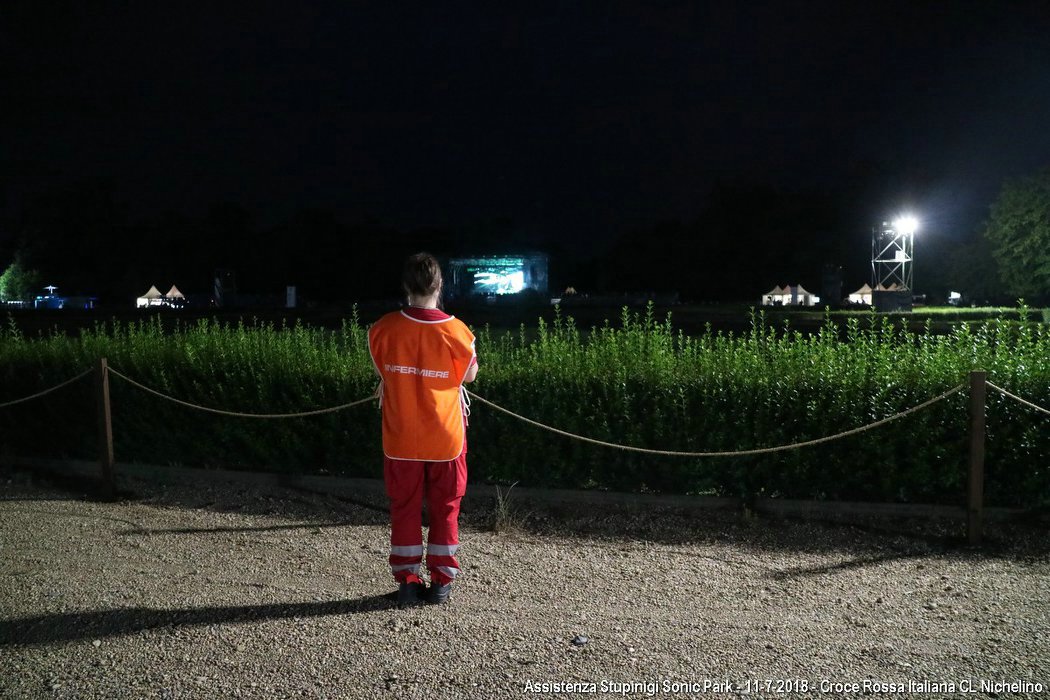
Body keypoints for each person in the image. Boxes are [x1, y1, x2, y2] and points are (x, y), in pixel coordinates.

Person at [368, 252, 478, 607]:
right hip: (446, 437)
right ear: (440, 285)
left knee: (404, 507)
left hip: (400, 437)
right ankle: (442, 582)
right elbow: (469, 375)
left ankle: (407, 582)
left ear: (405, 286)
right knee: (446, 508)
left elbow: (382, 372)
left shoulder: (382, 328)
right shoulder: (457, 331)